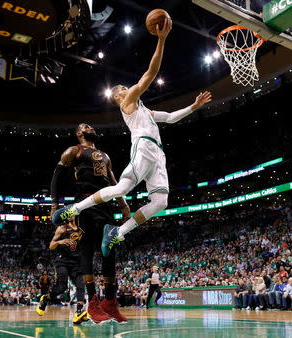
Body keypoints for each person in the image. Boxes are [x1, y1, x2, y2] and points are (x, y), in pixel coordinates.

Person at [52, 18, 212, 258]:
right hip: (144, 146)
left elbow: (168, 117)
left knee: (161, 202)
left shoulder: (143, 109)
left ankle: (117, 232)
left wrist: (193, 107)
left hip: (157, 152)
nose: (129, 89)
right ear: (119, 96)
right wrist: (161, 40)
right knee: (121, 188)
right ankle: (73, 209)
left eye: (128, 88)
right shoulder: (127, 103)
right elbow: (151, 73)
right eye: (124, 89)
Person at [49, 123, 130, 324]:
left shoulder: (105, 155)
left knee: (109, 250)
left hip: (105, 204)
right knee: (86, 251)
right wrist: (54, 205)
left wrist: (124, 205)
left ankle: (109, 302)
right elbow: (56, 176)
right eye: (86, 126)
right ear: (79, 133)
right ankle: (92, 303)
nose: (91, 127)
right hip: (84, 203)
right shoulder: (74, 151)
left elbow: (114, 183)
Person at [36, 219, 88, 325]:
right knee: (62, 287)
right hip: (62, 261)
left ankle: (79, 311)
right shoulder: (62, 228)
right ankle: (45, 298)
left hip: (76, 262)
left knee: (81, 284)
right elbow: (51, 246)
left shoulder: (81, 230)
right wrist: (60, 241)